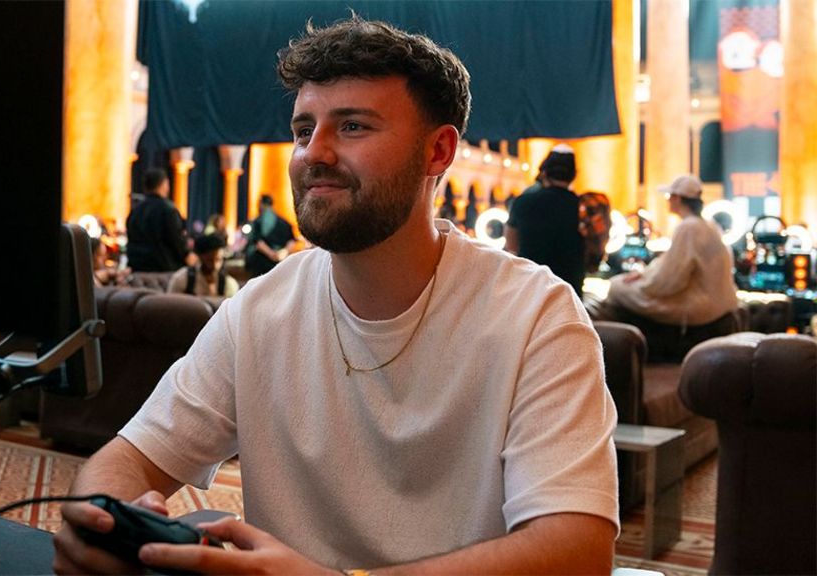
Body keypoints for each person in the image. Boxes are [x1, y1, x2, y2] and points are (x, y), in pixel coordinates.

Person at [53, 15, 618, 575]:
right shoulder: (258, 311)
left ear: (438, 152)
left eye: (352, 127)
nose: (313, 153)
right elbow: (129, 458)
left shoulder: (537, 315)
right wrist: (99, 521)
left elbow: (576, 549)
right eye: (303, 130)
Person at [605, 174, 739, 327]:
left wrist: (642, 282)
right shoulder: (710, 225)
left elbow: (670, 280)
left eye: (669, 196)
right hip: (720, 303)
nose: (667, 200)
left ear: (678, 198)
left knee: (617, 286)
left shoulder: (688, 227)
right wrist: (643, 274)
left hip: (702, 307)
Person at [504, 144, 586, 297]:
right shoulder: (583, 207)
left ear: (545, 172)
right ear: (574, 175)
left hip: (532, 289)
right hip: (570, 294)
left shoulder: (522, 202)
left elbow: (511, 245)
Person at [125, 168, 189, 272]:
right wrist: (187, 256)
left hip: (137, 269)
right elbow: (177, 241)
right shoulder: (168, 210)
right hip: (163, 271)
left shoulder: (135, 211)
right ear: (163, 184)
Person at [166, 233, 239, 298]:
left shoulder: (229, 284)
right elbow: (171, 306)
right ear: (200, 257)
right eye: (209, 260)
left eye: (218, 259)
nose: (214, 265)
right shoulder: (182, 279)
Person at [243, 194, 296, 277]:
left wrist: (271, 254)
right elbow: (291, 241)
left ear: (262, 204)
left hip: (262, 263)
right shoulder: (284, 222)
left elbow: (258, 242)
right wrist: (283, 253)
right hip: (280, 262)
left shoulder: (257, 221)